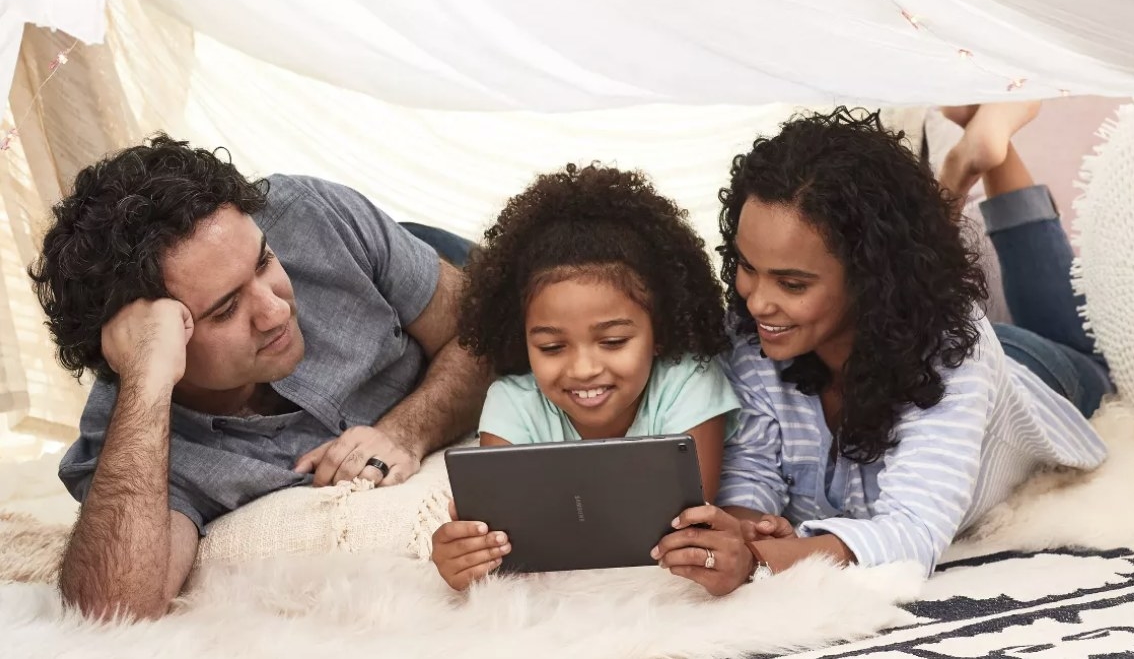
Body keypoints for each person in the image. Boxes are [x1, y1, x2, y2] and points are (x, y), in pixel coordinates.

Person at [652, 103, 1111, 594]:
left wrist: (758, 561)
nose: (758, 301)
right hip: (900, 323)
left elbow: (913, 533)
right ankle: (958, 174)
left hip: (1028, 372)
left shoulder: (955, 351)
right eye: (747, 267)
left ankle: (986, 157)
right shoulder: (755, 332)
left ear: (870, 280)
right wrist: (740, 529)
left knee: (1089, 354)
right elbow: (752, 468)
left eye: (791, 283)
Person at [28, 135, 489, 619]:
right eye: (225, 309)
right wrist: (146, 380)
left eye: (265, 262)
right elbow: (112, 610)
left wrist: (406, 431)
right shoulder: (131, 435)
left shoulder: (311, 215)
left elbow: (484, 334)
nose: (275, 310)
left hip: (432, 259)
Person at [429, 164, 740, 591]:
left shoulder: (690, 383)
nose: (583, 369)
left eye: (612, 341)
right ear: (522, 340)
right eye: (553, 347)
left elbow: (691, 524)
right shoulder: (510, 402)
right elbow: (503, 543)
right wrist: (465, 557)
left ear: (660, 332)